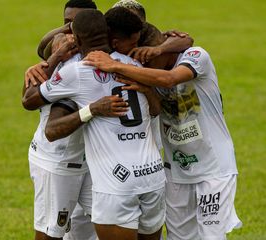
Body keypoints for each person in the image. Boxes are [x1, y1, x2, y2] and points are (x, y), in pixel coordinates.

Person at [83, 28, 242, 240]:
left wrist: (115, 65)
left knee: (211, 236)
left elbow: (170, 79)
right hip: (176, 171)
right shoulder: (149, 75)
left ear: (156, 51)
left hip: (213, 168)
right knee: (178, 237)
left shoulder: (196, 56)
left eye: (144, 60)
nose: (141, 67)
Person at [23, 9, 166, 240]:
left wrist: (50, 62)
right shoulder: (135, 66)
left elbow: (30, 102)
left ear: (77, 39)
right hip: (153, 175)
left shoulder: (76, 72)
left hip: (116, 182)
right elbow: (156, 109)